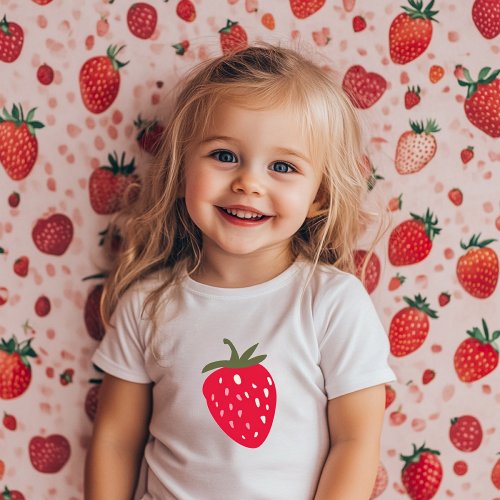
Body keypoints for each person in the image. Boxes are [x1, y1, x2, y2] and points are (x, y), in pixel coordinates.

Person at [84, 42, 396, 500]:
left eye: (283, 166)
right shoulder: (147, 305)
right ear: (182, 167)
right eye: (225, 156)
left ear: (318, 196)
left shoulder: (332, 303)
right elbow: (115, 440)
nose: (248, 182)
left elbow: (356, 442)